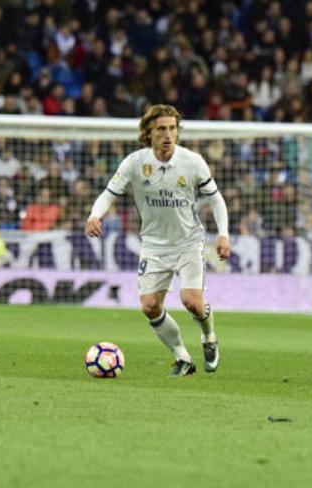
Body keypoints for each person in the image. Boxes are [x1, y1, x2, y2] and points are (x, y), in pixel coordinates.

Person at [84, 104, 230, 377]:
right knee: (150, 306)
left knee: (192, 302)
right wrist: (95, 216)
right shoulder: (135, 163)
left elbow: (216, 199)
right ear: (148, 132)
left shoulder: (193, 161)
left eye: (172, 128)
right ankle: (183, 358)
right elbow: (108, 194)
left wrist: (223, 234)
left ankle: (209, 335)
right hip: (153, 244)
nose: (168, 135)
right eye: (161, 129)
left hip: (188, 242)